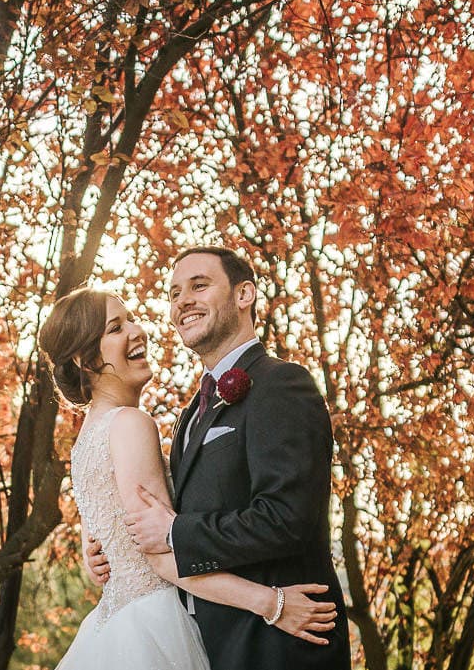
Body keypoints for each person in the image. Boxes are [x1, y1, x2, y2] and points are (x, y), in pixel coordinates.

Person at [39, 287, 337, 670]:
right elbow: (163, 559)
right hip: (154, 628)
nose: (137, 330)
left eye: (130, 318)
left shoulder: (85, 440)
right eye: (116, 328)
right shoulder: (130, 424)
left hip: (115, 628)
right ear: (85, 360)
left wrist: (93, 553)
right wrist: (272, 603)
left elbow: (104, 534)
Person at [122, 246, 352, 669]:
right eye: (174, 293)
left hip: (279, 647)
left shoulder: (281, 383)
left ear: (244, 295)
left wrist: (177, 533)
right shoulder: (190, 413)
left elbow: (287, 518)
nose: (182, 302)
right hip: (208, 644)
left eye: (199, 285)